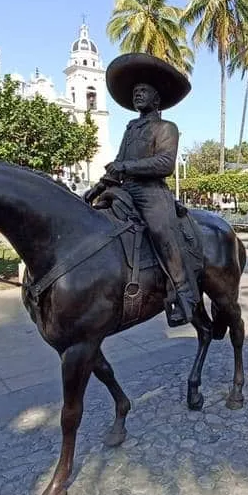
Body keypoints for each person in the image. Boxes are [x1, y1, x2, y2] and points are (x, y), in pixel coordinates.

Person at [83, 53, 198, 327]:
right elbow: (117, 165)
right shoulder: (130, 129)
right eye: (135, 92)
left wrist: (125, 167)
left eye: (143, 91)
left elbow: (164, 163)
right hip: (124, 189)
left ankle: (183, 294)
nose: (138, 95)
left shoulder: (166, 127)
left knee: (161, 231)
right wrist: (98, 186)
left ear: (156, 99)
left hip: (151, 192)